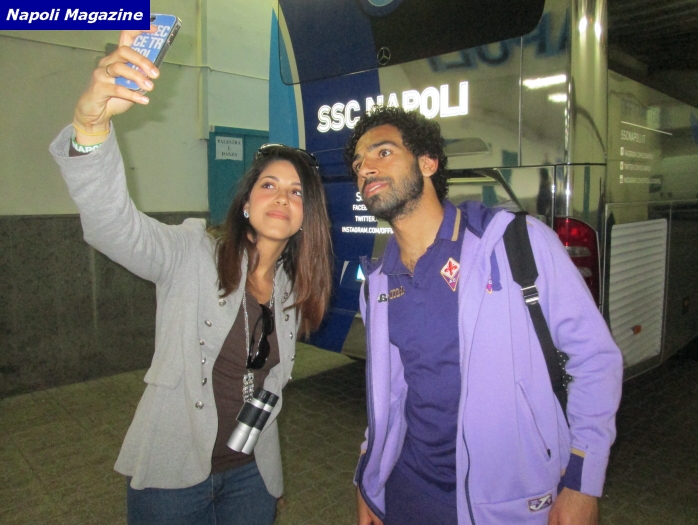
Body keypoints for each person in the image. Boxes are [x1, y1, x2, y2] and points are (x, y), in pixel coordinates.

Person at [49, 28, 333, 525]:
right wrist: (90, 125)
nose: (282, 198)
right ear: (246, 204)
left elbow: (267, 388)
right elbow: (113, 225)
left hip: (251, 474)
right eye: (269, 185)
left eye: (296, 192)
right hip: (173, 475)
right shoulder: (193, 252)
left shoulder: (292, 289)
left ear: (306, 217)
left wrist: (270, 482)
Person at [344, 106, 623, 525]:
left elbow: (595, 359)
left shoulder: (516, 242)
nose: (365, 168)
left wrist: (583, 483)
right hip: (409, 493)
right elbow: (388, 396)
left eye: (382, 152)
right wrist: (370, 476)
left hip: (509, 501)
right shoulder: (379, 283)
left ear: (427, 162)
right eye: (358, 164)